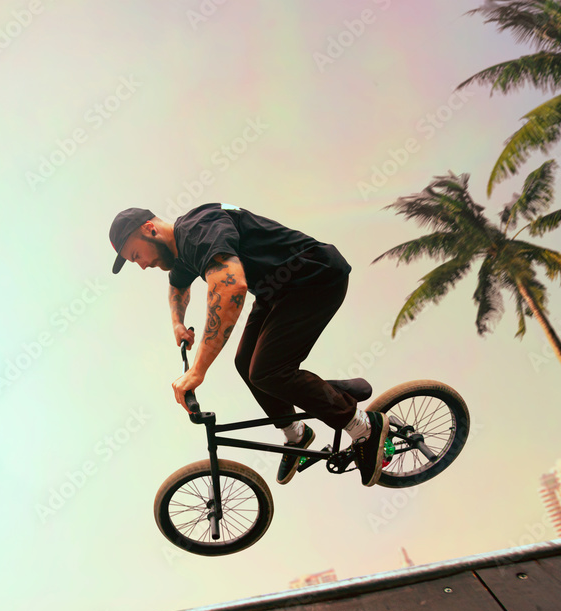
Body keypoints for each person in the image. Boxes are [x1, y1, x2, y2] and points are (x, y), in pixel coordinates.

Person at [108, 203, 388, 487]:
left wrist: (197, 371)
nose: (142, 265)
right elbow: (178, 285)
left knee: (268, 371)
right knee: (246, 364)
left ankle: (363, 426)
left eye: (136, 255)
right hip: (278, 292)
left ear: (149, 229)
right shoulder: (180, 251)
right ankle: (297, 433)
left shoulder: (199, 229)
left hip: (315, 278)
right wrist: (178, 323)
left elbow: (230, 288)